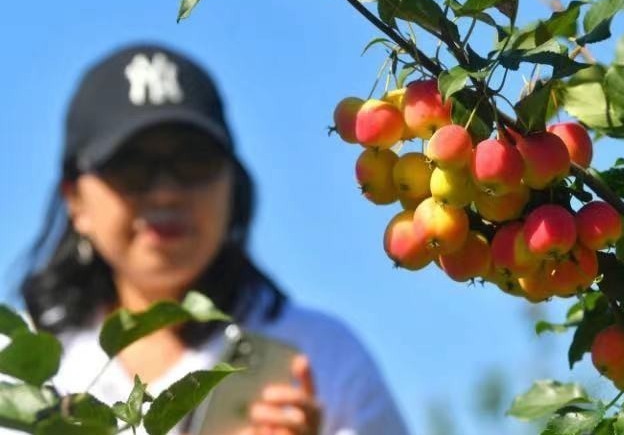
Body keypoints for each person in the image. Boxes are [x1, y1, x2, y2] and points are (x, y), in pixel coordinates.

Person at [11, 43, 410, 435]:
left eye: (193, 161)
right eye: (130, 167)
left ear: (232, 183)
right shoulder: (14, 362)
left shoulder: (324, 358)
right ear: (75, 200)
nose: (166, 193)